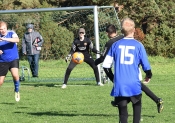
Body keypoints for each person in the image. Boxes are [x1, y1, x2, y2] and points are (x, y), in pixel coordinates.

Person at [95, 24, 163, 113]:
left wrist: (93, 63)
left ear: (107, 33)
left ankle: (156, 100)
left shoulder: (111, 43)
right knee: (138, 85)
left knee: (120, 83)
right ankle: (157, 100)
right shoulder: (123, 38)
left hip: (122, 71)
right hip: (133, 69)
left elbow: (103, 58)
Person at [103, 18, 153, 123]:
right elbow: (146, 66)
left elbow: (106, 66)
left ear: (121, 31)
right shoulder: (138, 45)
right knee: (137, 110)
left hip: (120, 85)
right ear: (134, 29)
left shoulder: (115, 45)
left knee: (123, 115)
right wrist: (148, 75)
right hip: (134, 84)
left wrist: (114, 79)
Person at [0, 21, 20, 102]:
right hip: (2, 61)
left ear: (6, 28)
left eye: (4, 28)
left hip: (13, 59)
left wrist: (4, 39)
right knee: (0, 82)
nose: (3, 30)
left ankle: (17, 90)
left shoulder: (11, 33)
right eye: (1, 29)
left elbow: (17, 40)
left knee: (15, 75)